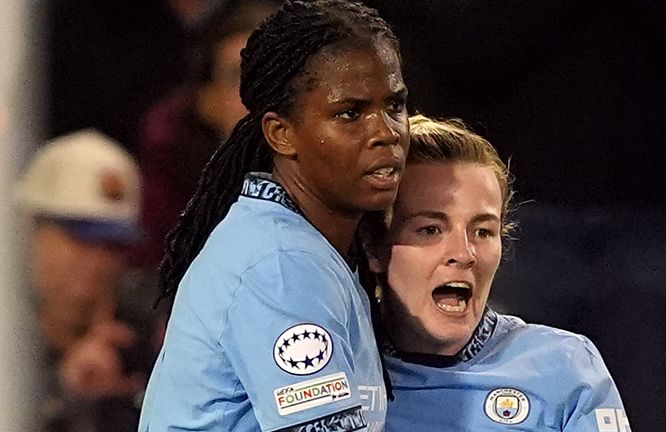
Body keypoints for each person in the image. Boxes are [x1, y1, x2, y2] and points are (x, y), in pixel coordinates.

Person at [138, 1, 409, 431]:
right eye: (350, 113)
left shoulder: (303, 246)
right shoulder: (281, 265)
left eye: (394, 106)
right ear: (281, 134)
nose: (386, 132)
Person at [362, 115, 630, 431]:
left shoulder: (566, 366)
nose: (463, 254)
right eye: (431, 229)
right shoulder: (341, 368)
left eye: (483, 231)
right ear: (375, 249)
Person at [14, 129, 156, 432]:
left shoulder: (139, 332)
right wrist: (63, 395)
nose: (98, 263)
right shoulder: (9, 338)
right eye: (79, 239)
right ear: (30, 232)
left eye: (112, 247)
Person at [132, 0, 282, 270]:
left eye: (276, 72)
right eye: (239, 76)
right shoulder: (179, 198)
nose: (259, 92)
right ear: (208, 100)